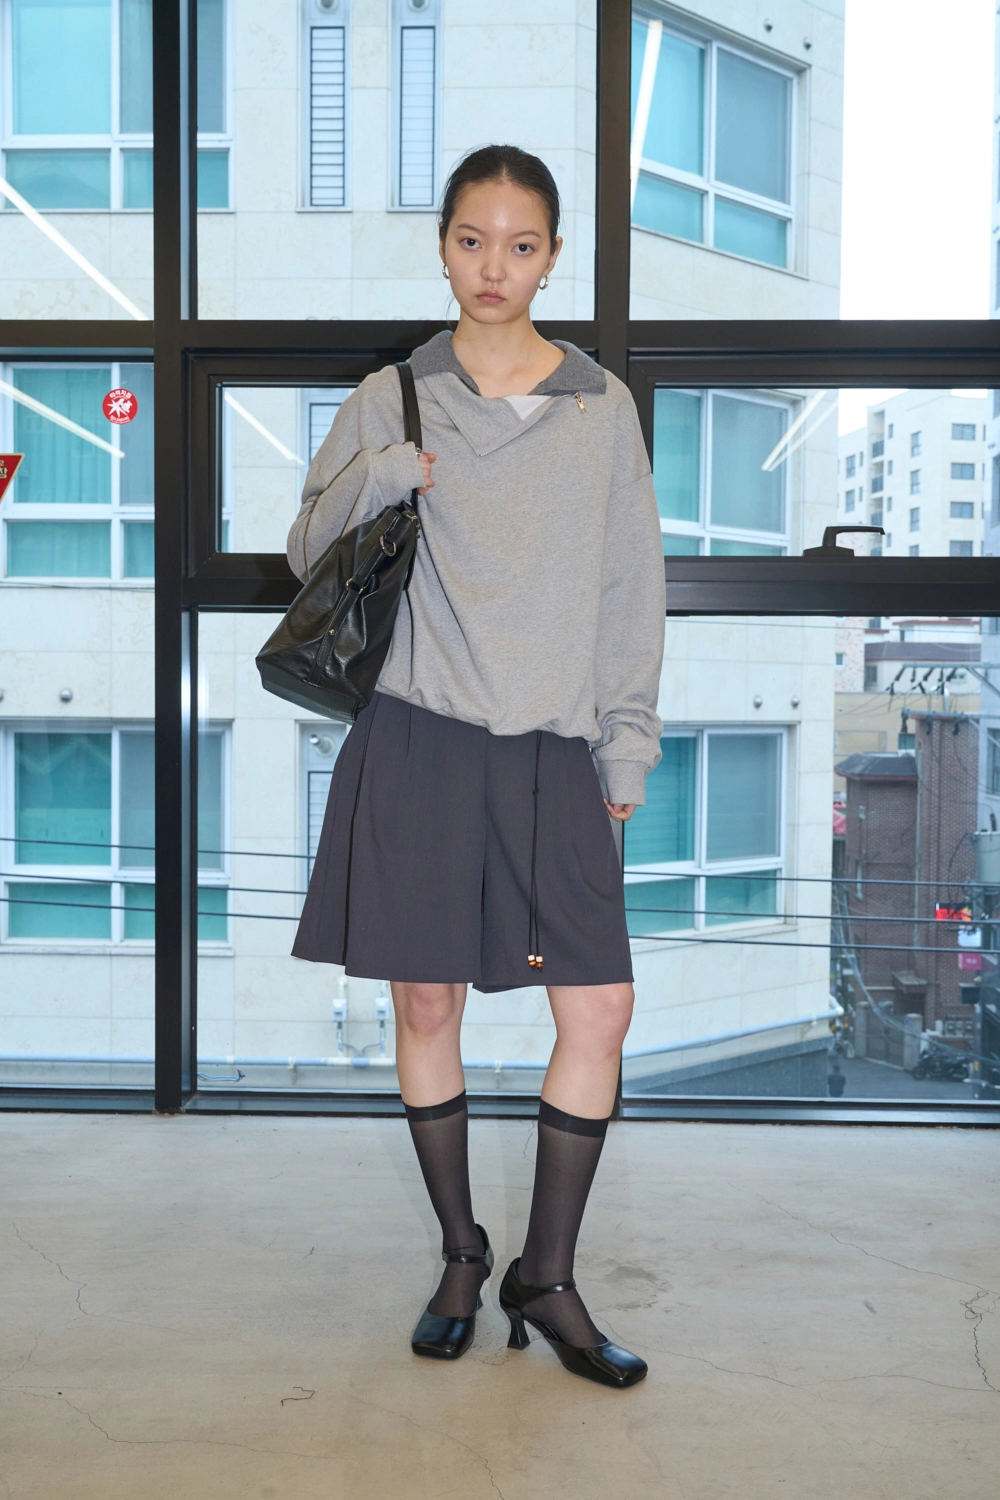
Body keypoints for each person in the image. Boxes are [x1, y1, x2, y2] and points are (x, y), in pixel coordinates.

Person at [287, 145, 665, 1390]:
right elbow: (305, 547)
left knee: (598, 1009)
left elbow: (629, 590)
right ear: (442, 245)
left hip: (557, 746)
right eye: (470, 239)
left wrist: (626, 740)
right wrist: (385, 472)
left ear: (552, 256)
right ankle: (462, 1254)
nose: (493, 265)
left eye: (519, 243)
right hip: (420, 737)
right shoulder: (393, 395)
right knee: (425, 1005)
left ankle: (545, 1277)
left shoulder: (601, 409)